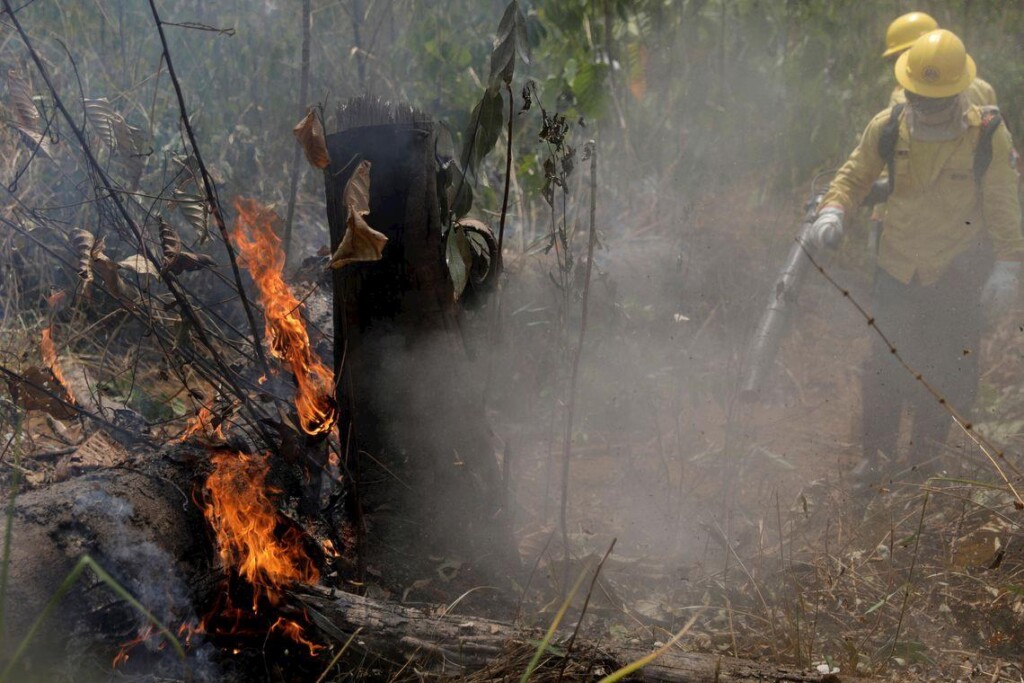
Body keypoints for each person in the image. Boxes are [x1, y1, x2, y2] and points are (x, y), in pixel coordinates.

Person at [809, 29, 1023, 480]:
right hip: (898, 265)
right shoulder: (888, 125)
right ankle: (877, 458)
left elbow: (1003, 203)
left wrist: (1009, 264)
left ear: (956, 92)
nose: (921, 105)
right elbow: (854, 175)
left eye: (932, 98)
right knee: (884, 362)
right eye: (915, 95)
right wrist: (833, 211)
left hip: (957, 268)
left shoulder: (987, 133)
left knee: (945, 368)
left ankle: (925, 463)